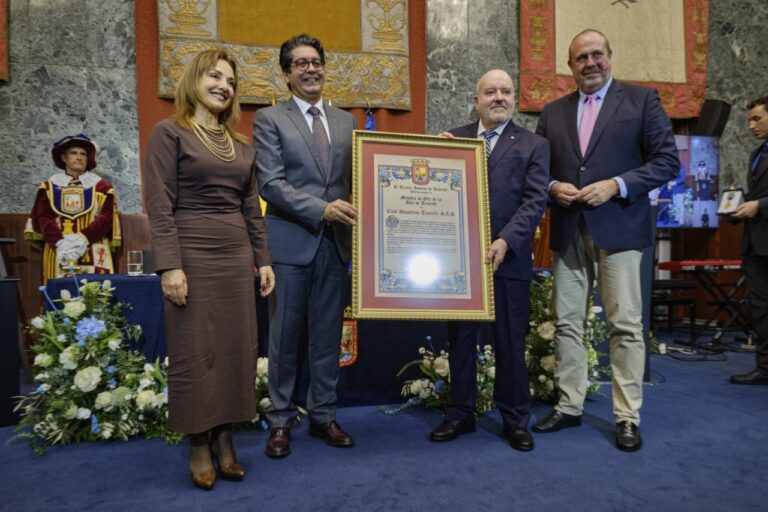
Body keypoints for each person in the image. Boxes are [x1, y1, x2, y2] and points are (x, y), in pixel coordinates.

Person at [533, 29, 679, 451]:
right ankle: (569, 405)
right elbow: (538, 168)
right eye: (581, 57)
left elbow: (666, 161)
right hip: (567, 229)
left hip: (619, 228)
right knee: (566, 323)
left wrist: (616, 184)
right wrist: (552, 186)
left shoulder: (641, 100)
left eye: (597, 54)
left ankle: (627, 416)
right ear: (570, 65)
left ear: (610, 56)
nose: (590, 63)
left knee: (626, 325)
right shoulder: (553, 111)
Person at [145, 49, 275, 490]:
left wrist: (265, 261)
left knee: (236, 350)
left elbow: (252, 211)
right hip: (191, 254)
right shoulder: (170, 133)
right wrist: (169, 266)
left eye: (231, 81)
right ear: (194, 81)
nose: (224, 85)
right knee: (197, 352)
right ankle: (198, 442)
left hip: (236, 256)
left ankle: (225, 439)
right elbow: (159, 205)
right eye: (214, 76)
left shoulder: (242, 146)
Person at [428, 70, 549, 451]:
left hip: (508, 260)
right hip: (460, 264)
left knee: (510, 343)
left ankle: (515, 418)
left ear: (514, 98)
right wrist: (432, 157)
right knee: (460, 341)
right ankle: (460, 413)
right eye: (490, 92)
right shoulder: (454, 139)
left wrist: (506, 241)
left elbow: (534, 202)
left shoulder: (534, 144)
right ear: (475, 99)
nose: (499, 97)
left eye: (506, 91)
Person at [253, 34, 357, 458]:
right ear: (286, 73)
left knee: (327, 336)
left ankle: (323, 416)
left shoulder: (348, 122)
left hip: (336, 246)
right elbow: (271, 184)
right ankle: (279, 420)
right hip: (291, 243)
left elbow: (365, 176)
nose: (310, 69)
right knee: (284, 337)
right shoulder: (269, 119)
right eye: (300, 63)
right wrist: (322, 209)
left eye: (316, 61)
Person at [24, 134, 121, 282]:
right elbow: (44, 217)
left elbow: (106, 218)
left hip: (93, 247)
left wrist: (82, 238)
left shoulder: (103, 187)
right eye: (74, 153)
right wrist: (60, 243)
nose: (79, 157)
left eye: (83, 154)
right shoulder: (49, 187)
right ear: (64, 158)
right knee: (60, 298)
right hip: (58, 248)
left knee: (97, 298)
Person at [729, 96, 768, 385]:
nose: (751, 125)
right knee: (761, 307)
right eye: (750, 119)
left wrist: (760, 206)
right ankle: (765, 368)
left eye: (757, 118)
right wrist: (739, 209)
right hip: (755, 243)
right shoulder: (758, 153)